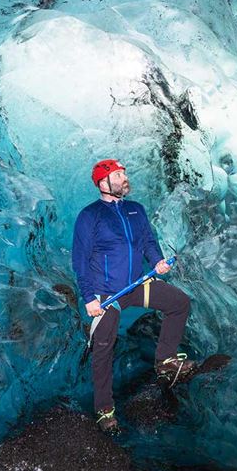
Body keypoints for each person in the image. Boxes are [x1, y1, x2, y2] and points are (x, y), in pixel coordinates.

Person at [71, 159, 196, 432]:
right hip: (107, 295)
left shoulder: (136, 210)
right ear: (103, 183)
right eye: (117, 174)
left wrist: (158, 261)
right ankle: (104, 409)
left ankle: (165, 361)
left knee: (179, 303)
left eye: (124, 173)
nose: (124, 178)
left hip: (138, 284)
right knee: (104, 347)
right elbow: (80, 260)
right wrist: (88, 298)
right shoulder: (90, 216)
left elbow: (149, 243)